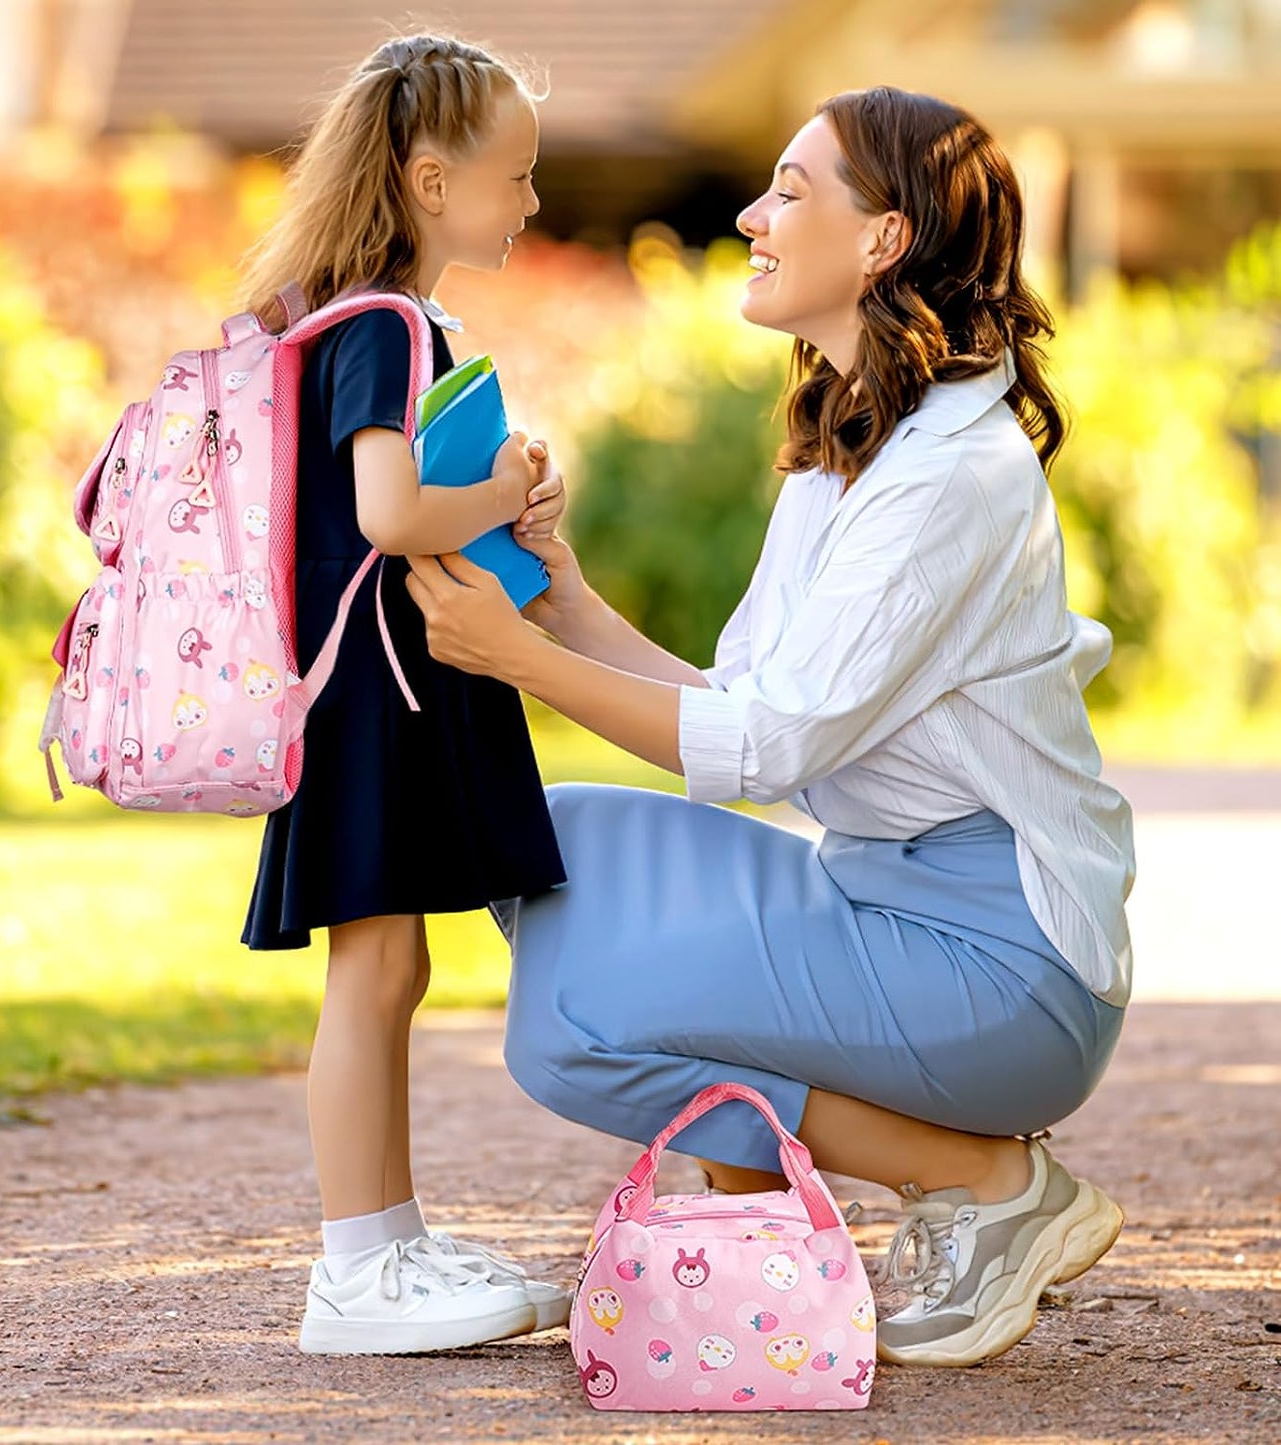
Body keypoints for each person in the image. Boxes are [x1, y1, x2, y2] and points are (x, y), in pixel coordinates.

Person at [406, 85, 1136, 1369]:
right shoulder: (851, 438)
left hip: (1003, 969)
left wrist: (516, 658)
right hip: (886, 904)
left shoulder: (950, 476)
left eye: (790, 191)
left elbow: (764, 755)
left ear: (881, 241)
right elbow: (738, 707)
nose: (748, 214)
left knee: (573, 1031)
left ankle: (985, 1181)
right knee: (548, 844)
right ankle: (770, 1258)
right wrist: (560, 599)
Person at [239, 34, 572, 1355]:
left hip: (385, 689)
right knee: (373, 970)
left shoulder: (360, 312)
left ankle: (388, 1242)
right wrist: (501, 492)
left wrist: (498, 489)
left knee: (389, 964)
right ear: (432, 182)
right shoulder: (385, 320)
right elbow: (387, 511)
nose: (533, 203)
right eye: (517, 177)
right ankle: (354, 1269)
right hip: (374, 696)